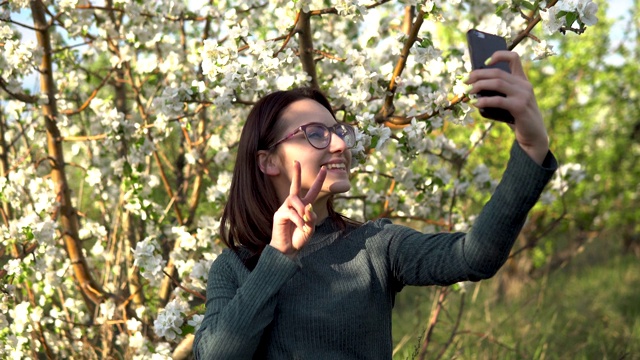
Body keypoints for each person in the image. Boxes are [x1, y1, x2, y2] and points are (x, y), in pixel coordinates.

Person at [193, 50, 557, 359]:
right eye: (315, 134)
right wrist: (276, 260)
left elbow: (474, 256)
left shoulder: (375, 246)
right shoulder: (235, 269)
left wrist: (530, 148)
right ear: (268, 161)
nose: (339, 145)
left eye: (338, 131)